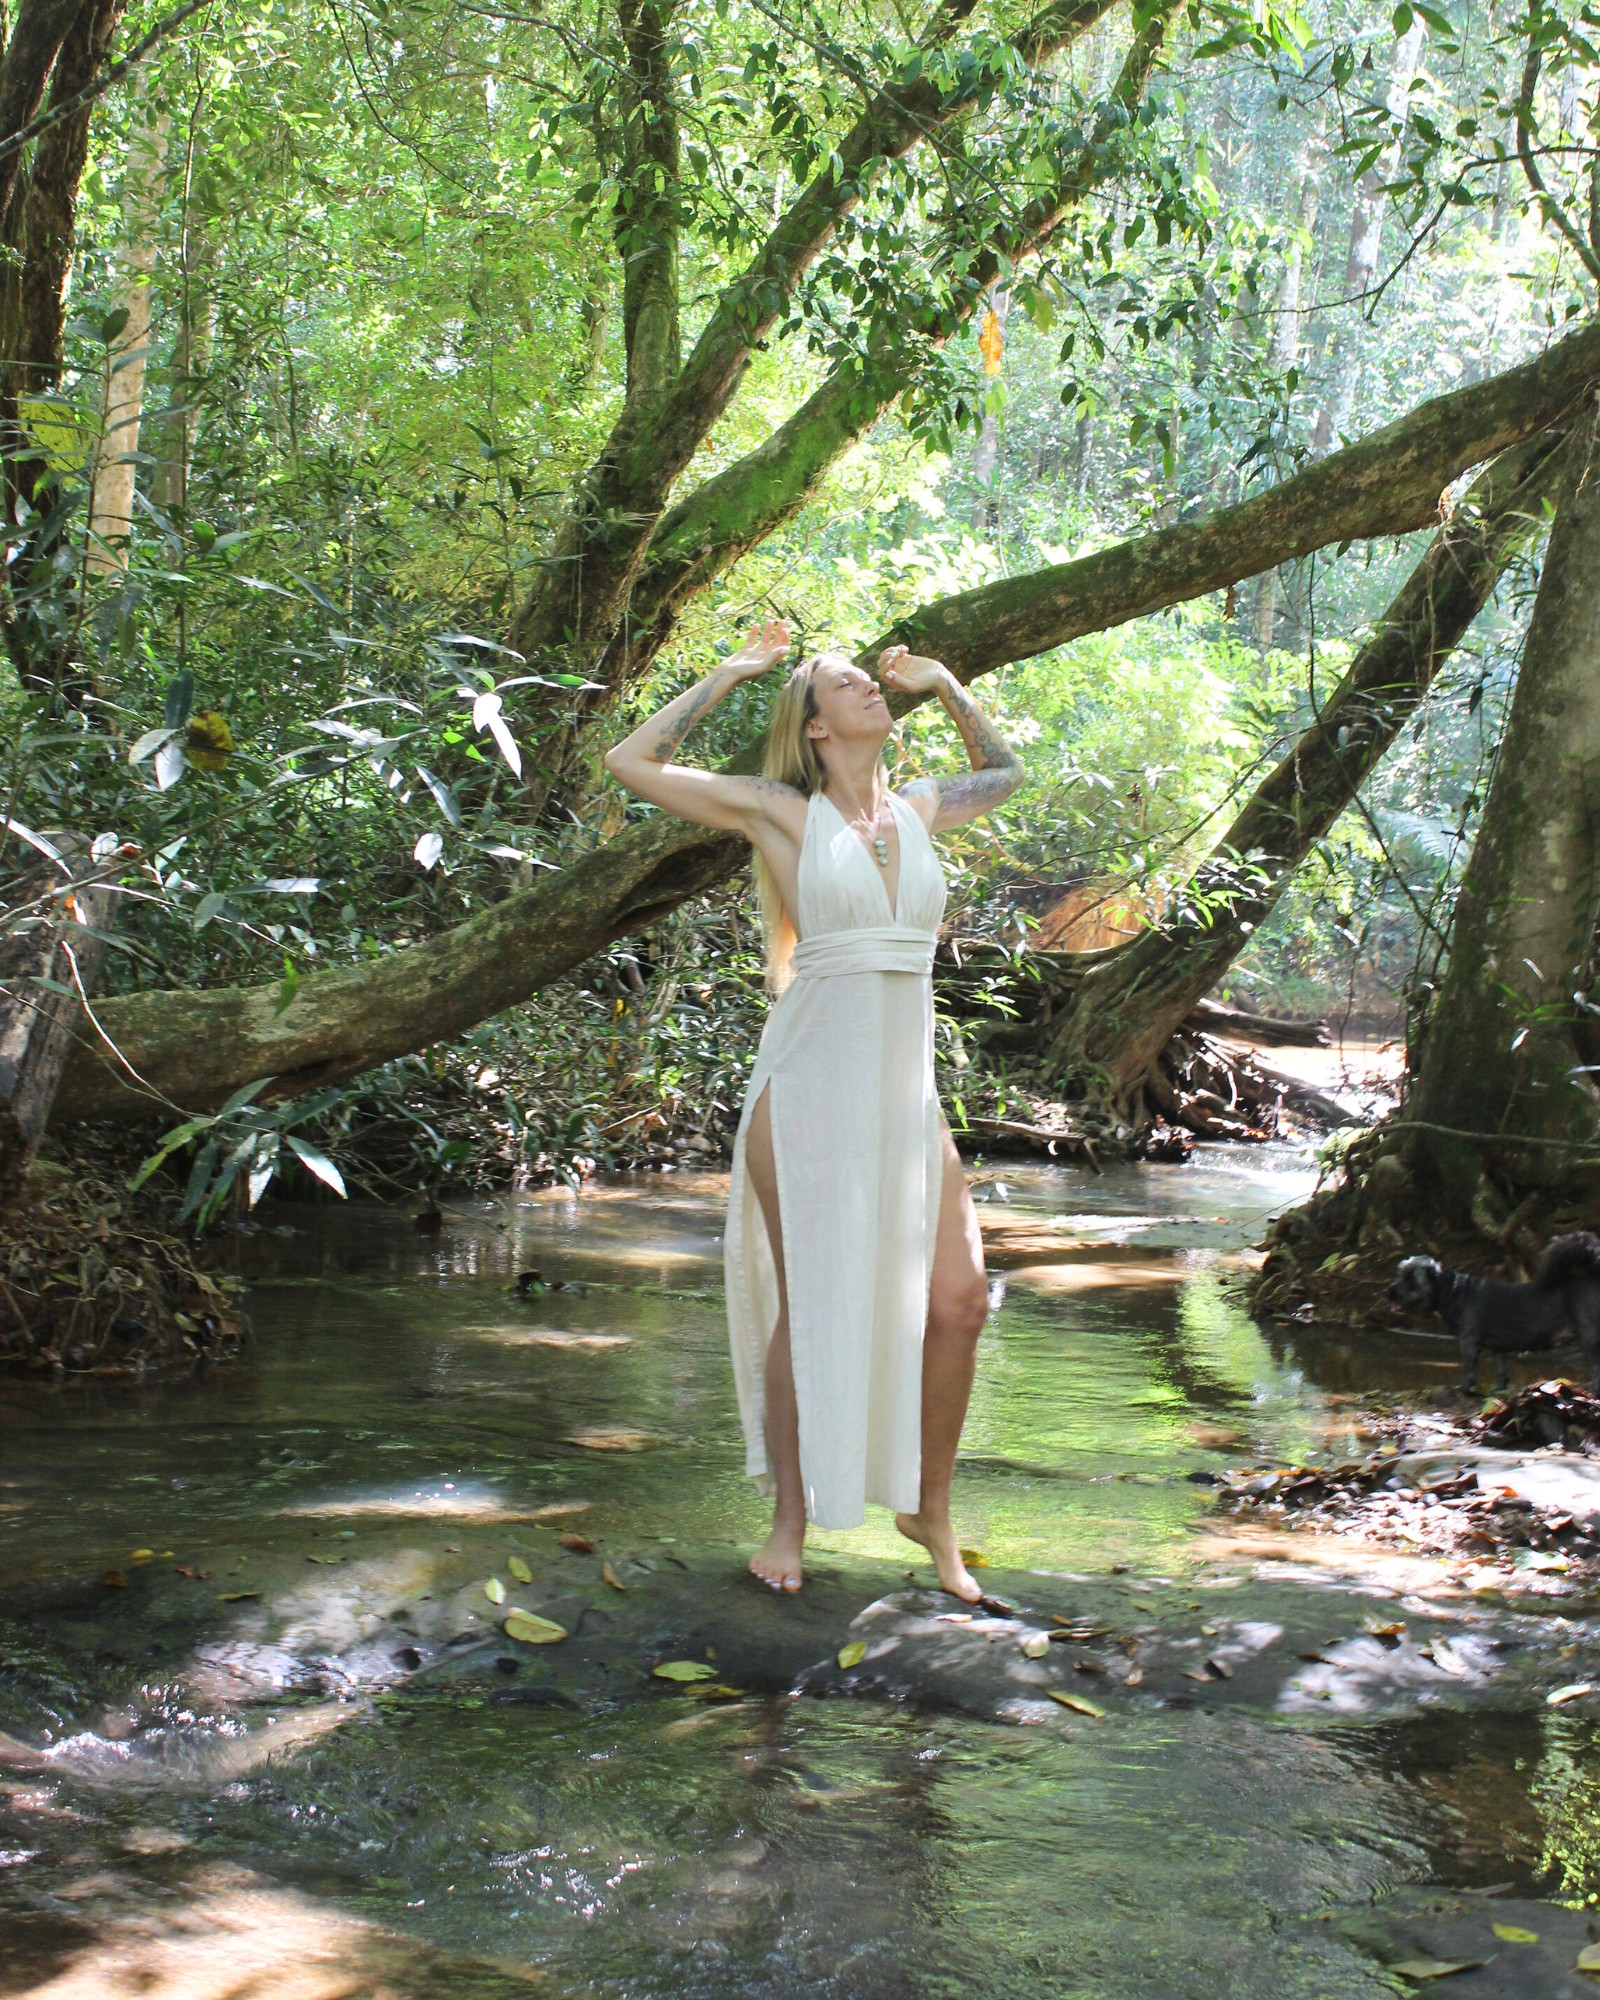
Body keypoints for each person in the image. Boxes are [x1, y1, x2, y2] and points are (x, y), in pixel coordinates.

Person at [604, 620, 1024, 1598]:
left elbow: (1005, 772)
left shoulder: (920, 807)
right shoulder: (778, 811)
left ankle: (928, 1510)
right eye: (846, 682)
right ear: (816, 725)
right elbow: (631, 762)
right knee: (812, 1305)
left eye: (871, 681)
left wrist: (947, 683)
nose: (872, 686)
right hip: (807, 1085)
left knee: (960, 1302)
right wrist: (731, 670)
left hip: (903, 1094)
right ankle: (788, 1520)